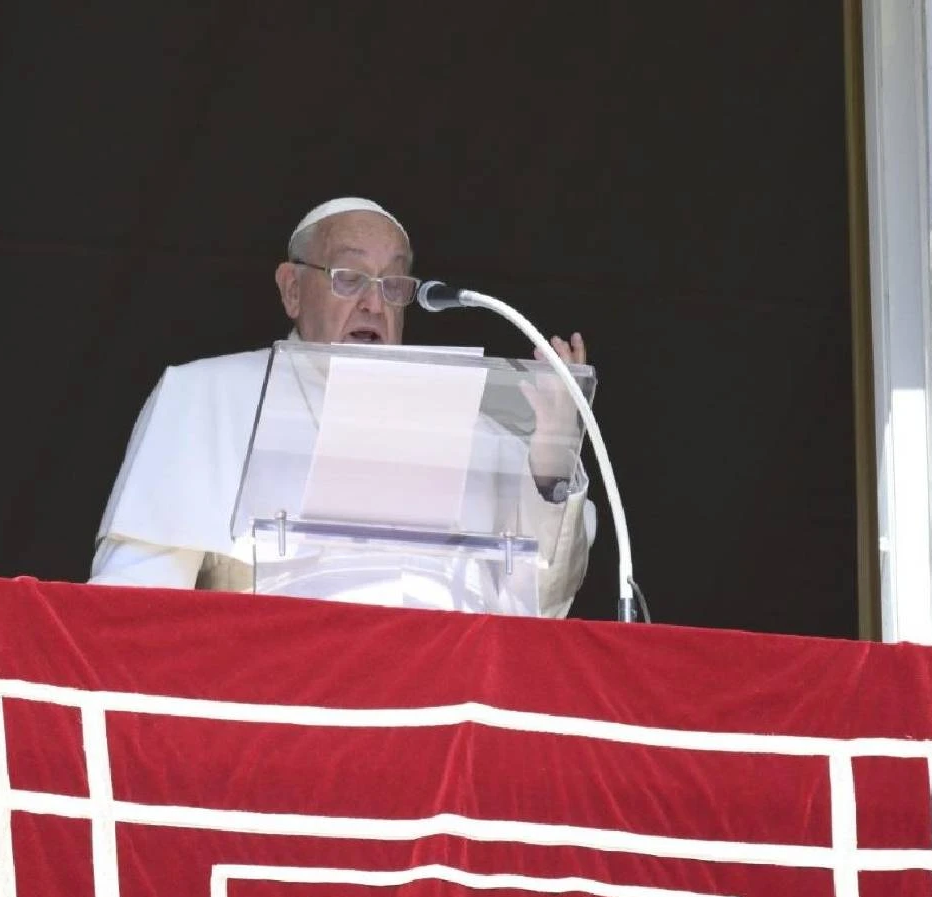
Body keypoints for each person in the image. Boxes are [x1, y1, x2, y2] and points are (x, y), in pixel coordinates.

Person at [90, 196, 595, 617]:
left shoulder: (479, 434)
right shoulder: (206, 397)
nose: (374, 305)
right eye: (349, 279)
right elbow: (134, 604)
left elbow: (540, 608)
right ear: (292, 289)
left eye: (393, 285)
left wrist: (550, 460)